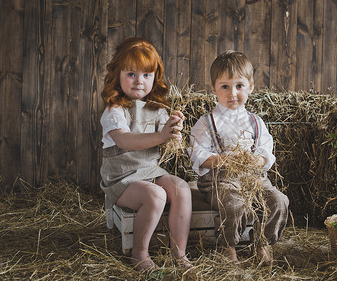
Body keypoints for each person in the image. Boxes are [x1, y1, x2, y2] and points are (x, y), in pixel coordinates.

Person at [188, 50, 289, 265]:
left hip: (253, 178)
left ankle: (261, 243)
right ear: (214, 88)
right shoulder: (207, 123)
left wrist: (258, 161)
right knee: (234, 204)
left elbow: (265, 150)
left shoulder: (255, 122)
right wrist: (223, 160)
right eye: (225, 86)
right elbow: (198, 154)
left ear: (250, 87)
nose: (232, 93)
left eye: (239, 86)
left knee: (279, 201)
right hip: (220, 178)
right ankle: (228, 246)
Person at [100, 37, 192, 271]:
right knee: (155, 195)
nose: (139, 81)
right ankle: (139, 254)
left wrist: (173, 129)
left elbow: (167, 139)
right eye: (131, 74)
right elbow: (123, 140)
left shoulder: (157, 109)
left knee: (181, 189)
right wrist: (160, 136)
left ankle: (179, 253)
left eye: (146, 75)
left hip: (150, 171)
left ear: (155, 78)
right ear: (117, 75)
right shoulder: (115, 110)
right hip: (122, 179)